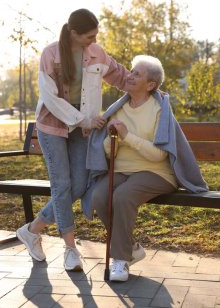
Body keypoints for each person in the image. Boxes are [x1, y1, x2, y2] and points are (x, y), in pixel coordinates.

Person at [16, 8, 130, 271]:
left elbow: (119, 75)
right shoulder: (51, 54)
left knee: (78, 185)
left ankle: (32, 230)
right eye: (89, 36)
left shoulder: (96, 53)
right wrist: (84, 120)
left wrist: (148, 83)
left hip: (82, 130)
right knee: (62, 184)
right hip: (52, 126)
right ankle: (70, 249)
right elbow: (51, 98)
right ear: (74, 33)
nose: (94, 39)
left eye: (95, 35)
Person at [89, 54, 208, 282]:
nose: (129, 76)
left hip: (156, 173)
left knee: (123, 197)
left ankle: (121, 261)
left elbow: (159, 154)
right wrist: (112, 138)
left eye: (136, 74)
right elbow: (108, 152)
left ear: (150, 84)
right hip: (123, 170)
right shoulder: (119, 108)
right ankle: (131, 247)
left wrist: (127, 136)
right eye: (131, 71)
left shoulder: (159, 110)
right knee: (98, 196)